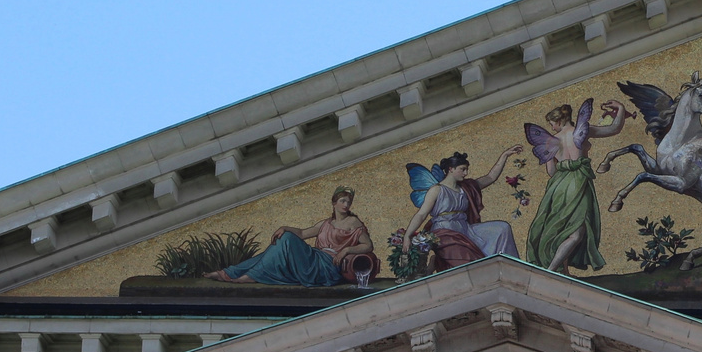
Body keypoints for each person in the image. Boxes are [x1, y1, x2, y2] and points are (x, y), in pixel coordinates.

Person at [524, 98, 632, 274]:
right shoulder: (581, 130)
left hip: (558, 187)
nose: (552, 128)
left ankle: (562, 271)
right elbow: (614, 128)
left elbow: (551, 171)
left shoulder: (550, 141)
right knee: (577, 231)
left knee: (562, 227)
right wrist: (620, 108)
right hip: (578, 183)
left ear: (559, 121)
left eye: (552, 124)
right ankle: (552, 270)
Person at [209, 186, 376, 286]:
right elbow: (303, 233)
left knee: (286, 239)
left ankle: (248, 276)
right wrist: (284, 227)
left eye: (348, 202)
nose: (346, 205)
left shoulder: (353, 222)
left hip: (328, 267)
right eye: (342, 201)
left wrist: (346, 250)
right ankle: (230, 273)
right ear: (334, 203)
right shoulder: (325, 223)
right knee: (283, 239)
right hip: (315, 259)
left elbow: (367, 245)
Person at [403, 145, 524, 272]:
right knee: (467, 261)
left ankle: (510, 270)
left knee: (502, 228)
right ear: (451, 169)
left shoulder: (465, 188)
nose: (466, 173)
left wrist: (505, 155)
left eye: (466, 169)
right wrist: (407, 235)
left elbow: (490, 178)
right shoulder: (437, 190)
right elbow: (421, 214)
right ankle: (436, 262)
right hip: (444, 232)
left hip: (465, 229)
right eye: (463, 169)